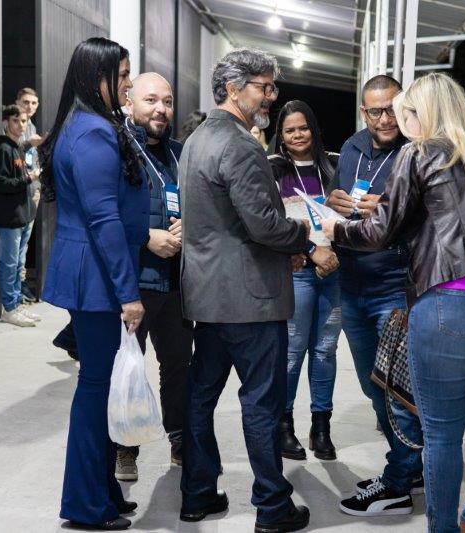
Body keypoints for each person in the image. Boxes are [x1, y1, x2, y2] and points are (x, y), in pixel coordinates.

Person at [323, 72, 465, 533]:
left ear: (420, 113)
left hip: (450, 306)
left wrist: (333, 228)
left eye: (404, 113)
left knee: (441, 432)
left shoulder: (417, 154)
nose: (400, 122)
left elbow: (379, 232)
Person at [178, 49, 311, 533]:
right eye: (264, 86)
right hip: (251, 300)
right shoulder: (240, 144)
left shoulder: (196, 140)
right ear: (233, 89)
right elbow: (264, 225)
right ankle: (272, 507)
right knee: (261, 403)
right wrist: (304, 237)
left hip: (208, 297)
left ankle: (197, 494)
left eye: (272, 86)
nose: (271, 96)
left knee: (201, 397)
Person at [39, 37, 143, 531]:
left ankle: (102, 492)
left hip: (92, 272)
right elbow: (103, 218)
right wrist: (128, 292)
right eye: (121, 76)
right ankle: (86, 504)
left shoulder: (84, 125)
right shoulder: (92, 132)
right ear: (95, 77)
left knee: (99, 388)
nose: (128, 84)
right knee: (96, 389)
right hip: (97, 278)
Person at [325, 74, 424, 517]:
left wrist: (390, 209)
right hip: (352, 284)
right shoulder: (351, 147)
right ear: (363, 111)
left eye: (391, 109)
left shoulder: (417, 150)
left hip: (395, 285)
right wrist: (334, 202)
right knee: (373, 386)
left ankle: (398, 484)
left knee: (398, 391)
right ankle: (409, 466)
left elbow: (434, 217)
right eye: (375, 111)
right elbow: (340, 201)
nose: (384, 119)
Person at [113, 72, 194, 481]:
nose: (161, 109)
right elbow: (104, 214)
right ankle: (124, 448)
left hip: (178, 282)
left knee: (178, 366)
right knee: (129, 366)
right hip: (134, 281)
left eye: (167, 101)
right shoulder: (117, 149)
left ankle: (180, 441)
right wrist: (148, 237)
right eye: (151, 100)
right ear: (130, 102)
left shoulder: (181, 153)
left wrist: (189, 226)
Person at [268, 100, 341, 462]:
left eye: (303, 127)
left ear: (313, 128)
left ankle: (321, 426)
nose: (297, 135)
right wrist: (312, 250)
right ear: (280, 135)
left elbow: (349, 216)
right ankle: (284, 426)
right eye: (289, 130)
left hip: (334, 272)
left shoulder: (335, 166)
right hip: (296, 270)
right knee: (293, 351)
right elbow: (272, 223)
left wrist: (335, 253)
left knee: (326, 350)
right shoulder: (272, 168)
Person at [0, 104, 40, 327]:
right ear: (5, 123)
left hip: (22, 217)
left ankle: (16, 305)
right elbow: (0, 183)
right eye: (16, 120)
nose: (20, 125)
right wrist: (29, 178)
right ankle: (9, 309)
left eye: (24, 121)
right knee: (9, 266)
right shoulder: (3, 149)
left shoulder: (16, 147)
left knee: (18, 265)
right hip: (8, 219)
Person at [15, 88, 44, 302]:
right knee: (16, 241)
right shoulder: (15, 124)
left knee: (24, 240)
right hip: (19, 189)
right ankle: (17, 287)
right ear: (18, 101)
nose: (30, 106)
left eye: (34, 103)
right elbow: (13, 152)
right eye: (26, 102)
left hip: (33, 189)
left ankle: (21, 283)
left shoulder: (31, 125)